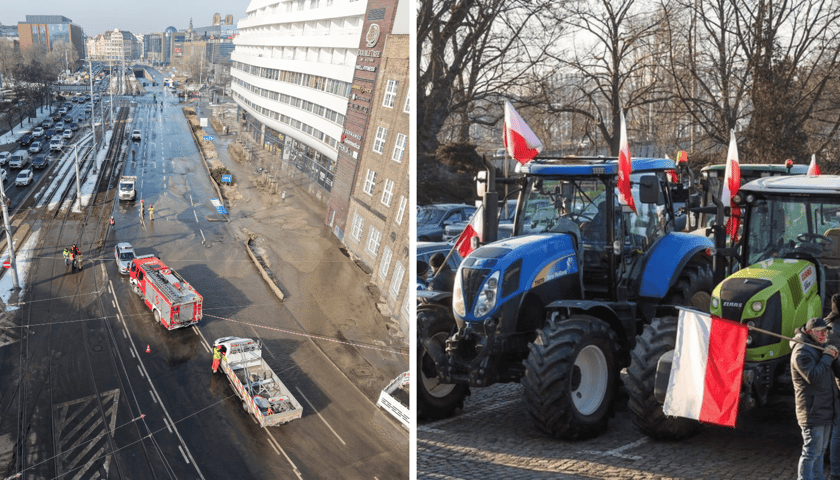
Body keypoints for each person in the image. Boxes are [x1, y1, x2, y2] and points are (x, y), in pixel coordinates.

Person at [791, 316, 840, 480]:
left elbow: (834, 372)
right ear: (810, 332)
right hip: (812, 410)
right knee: (811, 452)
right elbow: (813, 376)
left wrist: (835, 357)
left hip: (825, 408)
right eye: (819, 332)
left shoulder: (819, 347)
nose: (823, 335)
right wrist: (827, 357)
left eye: (825, 332)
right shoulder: (802, 352)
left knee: (819, 453)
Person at [822, 294, 840, 480]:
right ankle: (836, 471)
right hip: (836, 383)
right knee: (838, 428)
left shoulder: (827, 323)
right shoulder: (834, 329)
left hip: (830, 382)